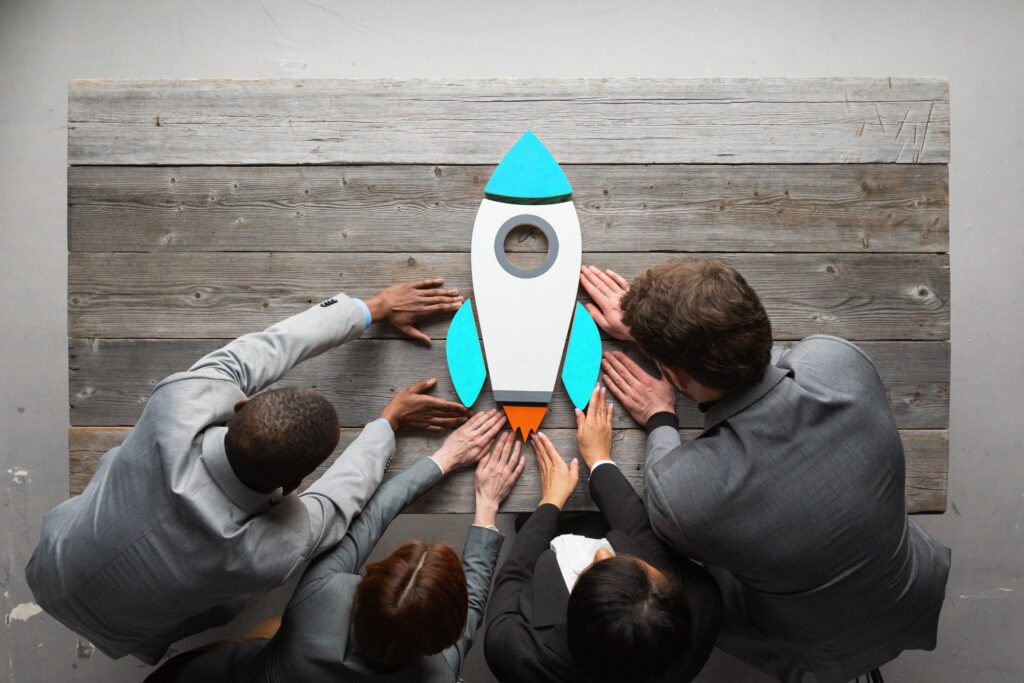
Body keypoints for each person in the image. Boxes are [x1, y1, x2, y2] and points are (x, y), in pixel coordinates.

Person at [27, 279, 471, 664]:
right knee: (231, 604)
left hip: (51, 563)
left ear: (240, 404)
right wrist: (388, 423)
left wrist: (372, 307)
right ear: (294, 484)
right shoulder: (270, 551)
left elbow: (268, 346)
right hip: (122, 634)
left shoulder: (178, 404)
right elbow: (336, 502)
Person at [581, 259, 952, 683]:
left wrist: (660, 415)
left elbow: (666, 480)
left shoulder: (684, 494)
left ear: (676, 373)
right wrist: (669, 346)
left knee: (683, 573)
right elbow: (762, 363)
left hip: (805, 641)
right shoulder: (841, 364)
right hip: (910, 587)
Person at [145, 412, 520, 683]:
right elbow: (472, 606)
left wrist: (443, 458)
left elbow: (366, 520)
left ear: (361, 589)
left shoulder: (322, 600)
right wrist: (487, 508)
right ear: (447, 636)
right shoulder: (440, 672)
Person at [484, 385, 722, 683]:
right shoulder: (703, 604)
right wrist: (599, 461)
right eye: (649, 567)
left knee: (527, 524)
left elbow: (514, 577)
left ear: (574, 614)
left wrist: (549, 504)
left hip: (550, 540)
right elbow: (647, 539)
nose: (602, 551)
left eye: (596, 568)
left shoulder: (513, 652)